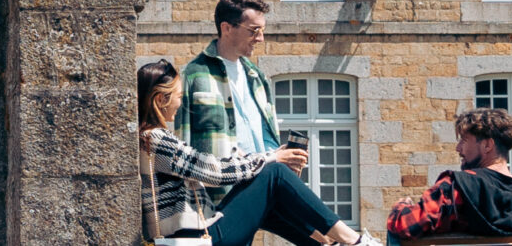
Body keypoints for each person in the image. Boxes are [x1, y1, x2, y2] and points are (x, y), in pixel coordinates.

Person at [142, 59, 383, 246]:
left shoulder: (148, 140)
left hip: (196, 235)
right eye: (178, 97)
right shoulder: (156, 140)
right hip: (196, 238)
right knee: (275, 173)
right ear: (161, 99)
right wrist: (271, 157)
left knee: (268, 195)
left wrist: (260, 160)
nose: (180, 103)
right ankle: (354, 241)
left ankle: (327, 243)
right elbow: (215, 172)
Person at [173, 0, 283, 203]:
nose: (260, 38)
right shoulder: (194, 75)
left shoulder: (257, 76)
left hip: (263, 188)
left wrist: (285, 157)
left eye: (262, 31)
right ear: (227, 28)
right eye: (254, 30)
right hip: (221, 196)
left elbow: (267, 136)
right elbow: (183, 146)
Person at [385, 108, 512, 240]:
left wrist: (400, 207)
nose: (458, 148)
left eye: (464, 140)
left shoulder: (456, 187)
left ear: (487, 145)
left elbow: (405, 225)